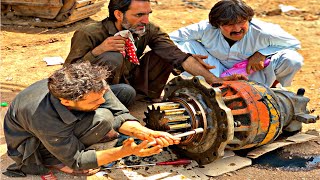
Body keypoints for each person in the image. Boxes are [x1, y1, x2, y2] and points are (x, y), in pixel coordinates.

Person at [3, 62, 180, 177]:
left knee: (124, 93)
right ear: (66, 101)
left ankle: (89, 128)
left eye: (102, 94)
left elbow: (119, 112)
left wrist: (147, 133)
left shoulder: (92, 85)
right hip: (31, 144)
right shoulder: (43, 117)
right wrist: (125, 151)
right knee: (103, 118)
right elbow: (77, 160)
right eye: (96, 100)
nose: (102, 100)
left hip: (58, 120)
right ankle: (53, 159)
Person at [64, 0, 245, 103]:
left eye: (148, 14)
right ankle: (103, 104)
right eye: (139, 15)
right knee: (112, 58)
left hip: (132, 84)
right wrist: (98, 51)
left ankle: (145, 98)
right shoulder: (89, 33)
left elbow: (177, 56)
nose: (146, 20)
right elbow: (68, 74)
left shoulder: (148, 29)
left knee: (164, 54)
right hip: (99, 91)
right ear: (119, 15)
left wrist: (215, 80)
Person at [169, 0, 303, 87]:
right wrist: (189, 56)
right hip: (212, 70)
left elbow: (294, 44)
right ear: (218, 25)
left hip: (251, 72)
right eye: (230, 25)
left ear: (248, 19)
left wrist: (262, 53)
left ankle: (273, 89)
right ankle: (205, 88)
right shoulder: (205, 28)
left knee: (292, 59)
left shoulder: (264, 31)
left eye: (242, 22)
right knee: (184, 46)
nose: (238, 29)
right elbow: (169, 40)